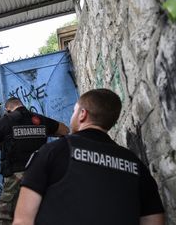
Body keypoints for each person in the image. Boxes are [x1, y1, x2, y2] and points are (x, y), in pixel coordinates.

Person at [13, 88, 165, 225]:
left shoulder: (53, 151)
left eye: (74, 111)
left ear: (82, 114)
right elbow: (154, 219)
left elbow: (23, 220)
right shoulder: (135, 164)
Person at [0, 97, 69, 224]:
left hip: (15, 174)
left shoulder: (5, 121)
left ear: (8, 109)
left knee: (7, 214)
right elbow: (65, 130)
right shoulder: (40, 119)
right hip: (39, 173)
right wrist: (44, 133)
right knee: (39, 210)